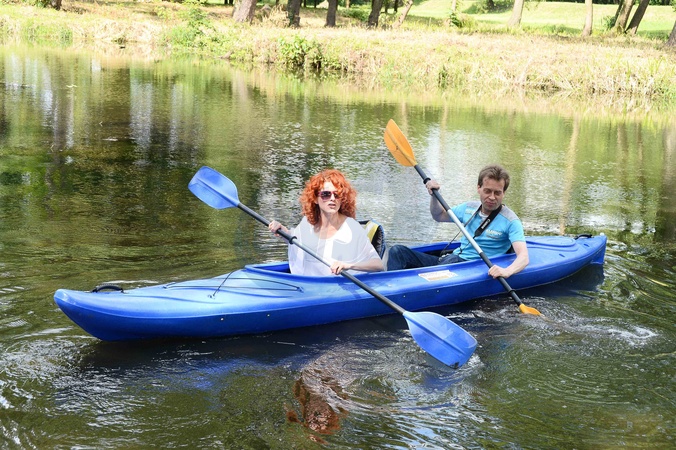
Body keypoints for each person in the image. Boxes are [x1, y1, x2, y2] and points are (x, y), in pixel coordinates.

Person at [386, 164, 529, 279]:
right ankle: (391, 288)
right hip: (450, 261)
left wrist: (506, 271)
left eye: (497, 193)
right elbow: (438, 216)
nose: (492, 197)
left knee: (451, 261)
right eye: (487, 191)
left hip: (469, 268)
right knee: (398, 251)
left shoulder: (511, 221)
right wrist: (434, 196)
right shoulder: (468, 208)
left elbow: (523, 257)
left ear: (503, 193)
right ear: (479, 188)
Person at [268, 169, 384, 276]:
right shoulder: (308, 223)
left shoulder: (351, 227)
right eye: (326, 194)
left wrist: (348, 265)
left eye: (337, 195)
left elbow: (378, 265)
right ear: (315, 199)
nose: (332, 198)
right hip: (311, 286)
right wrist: (282, 230)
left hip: (341, 287)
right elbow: (296, 241)